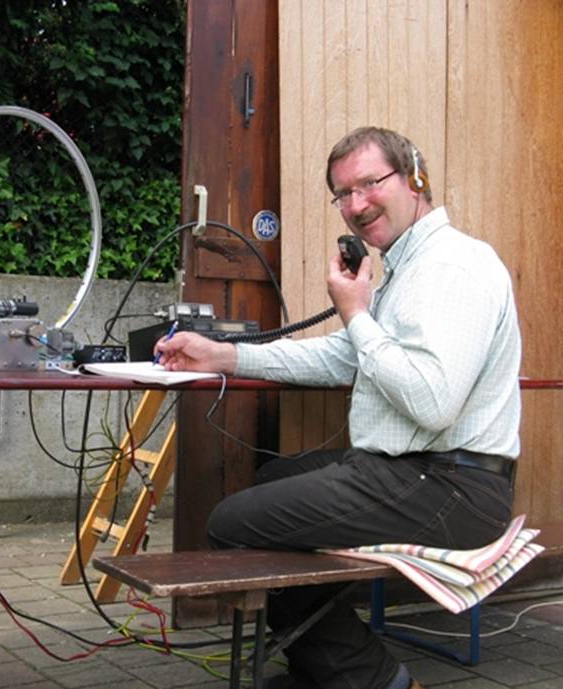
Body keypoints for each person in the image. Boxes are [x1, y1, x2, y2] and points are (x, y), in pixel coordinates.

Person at [154, 126, 521, 689]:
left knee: (232, 524)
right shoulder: (406, 264)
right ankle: (324, 667)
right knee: (274, 477)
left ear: (415, 177)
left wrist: (355, 313)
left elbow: (432, 402)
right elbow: (345, 358)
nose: (356, 205)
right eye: (342, 193)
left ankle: (377, 681)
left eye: (370, 183)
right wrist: (223, 355)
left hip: (451, 487)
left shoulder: (453, 266)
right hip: (408, 473)